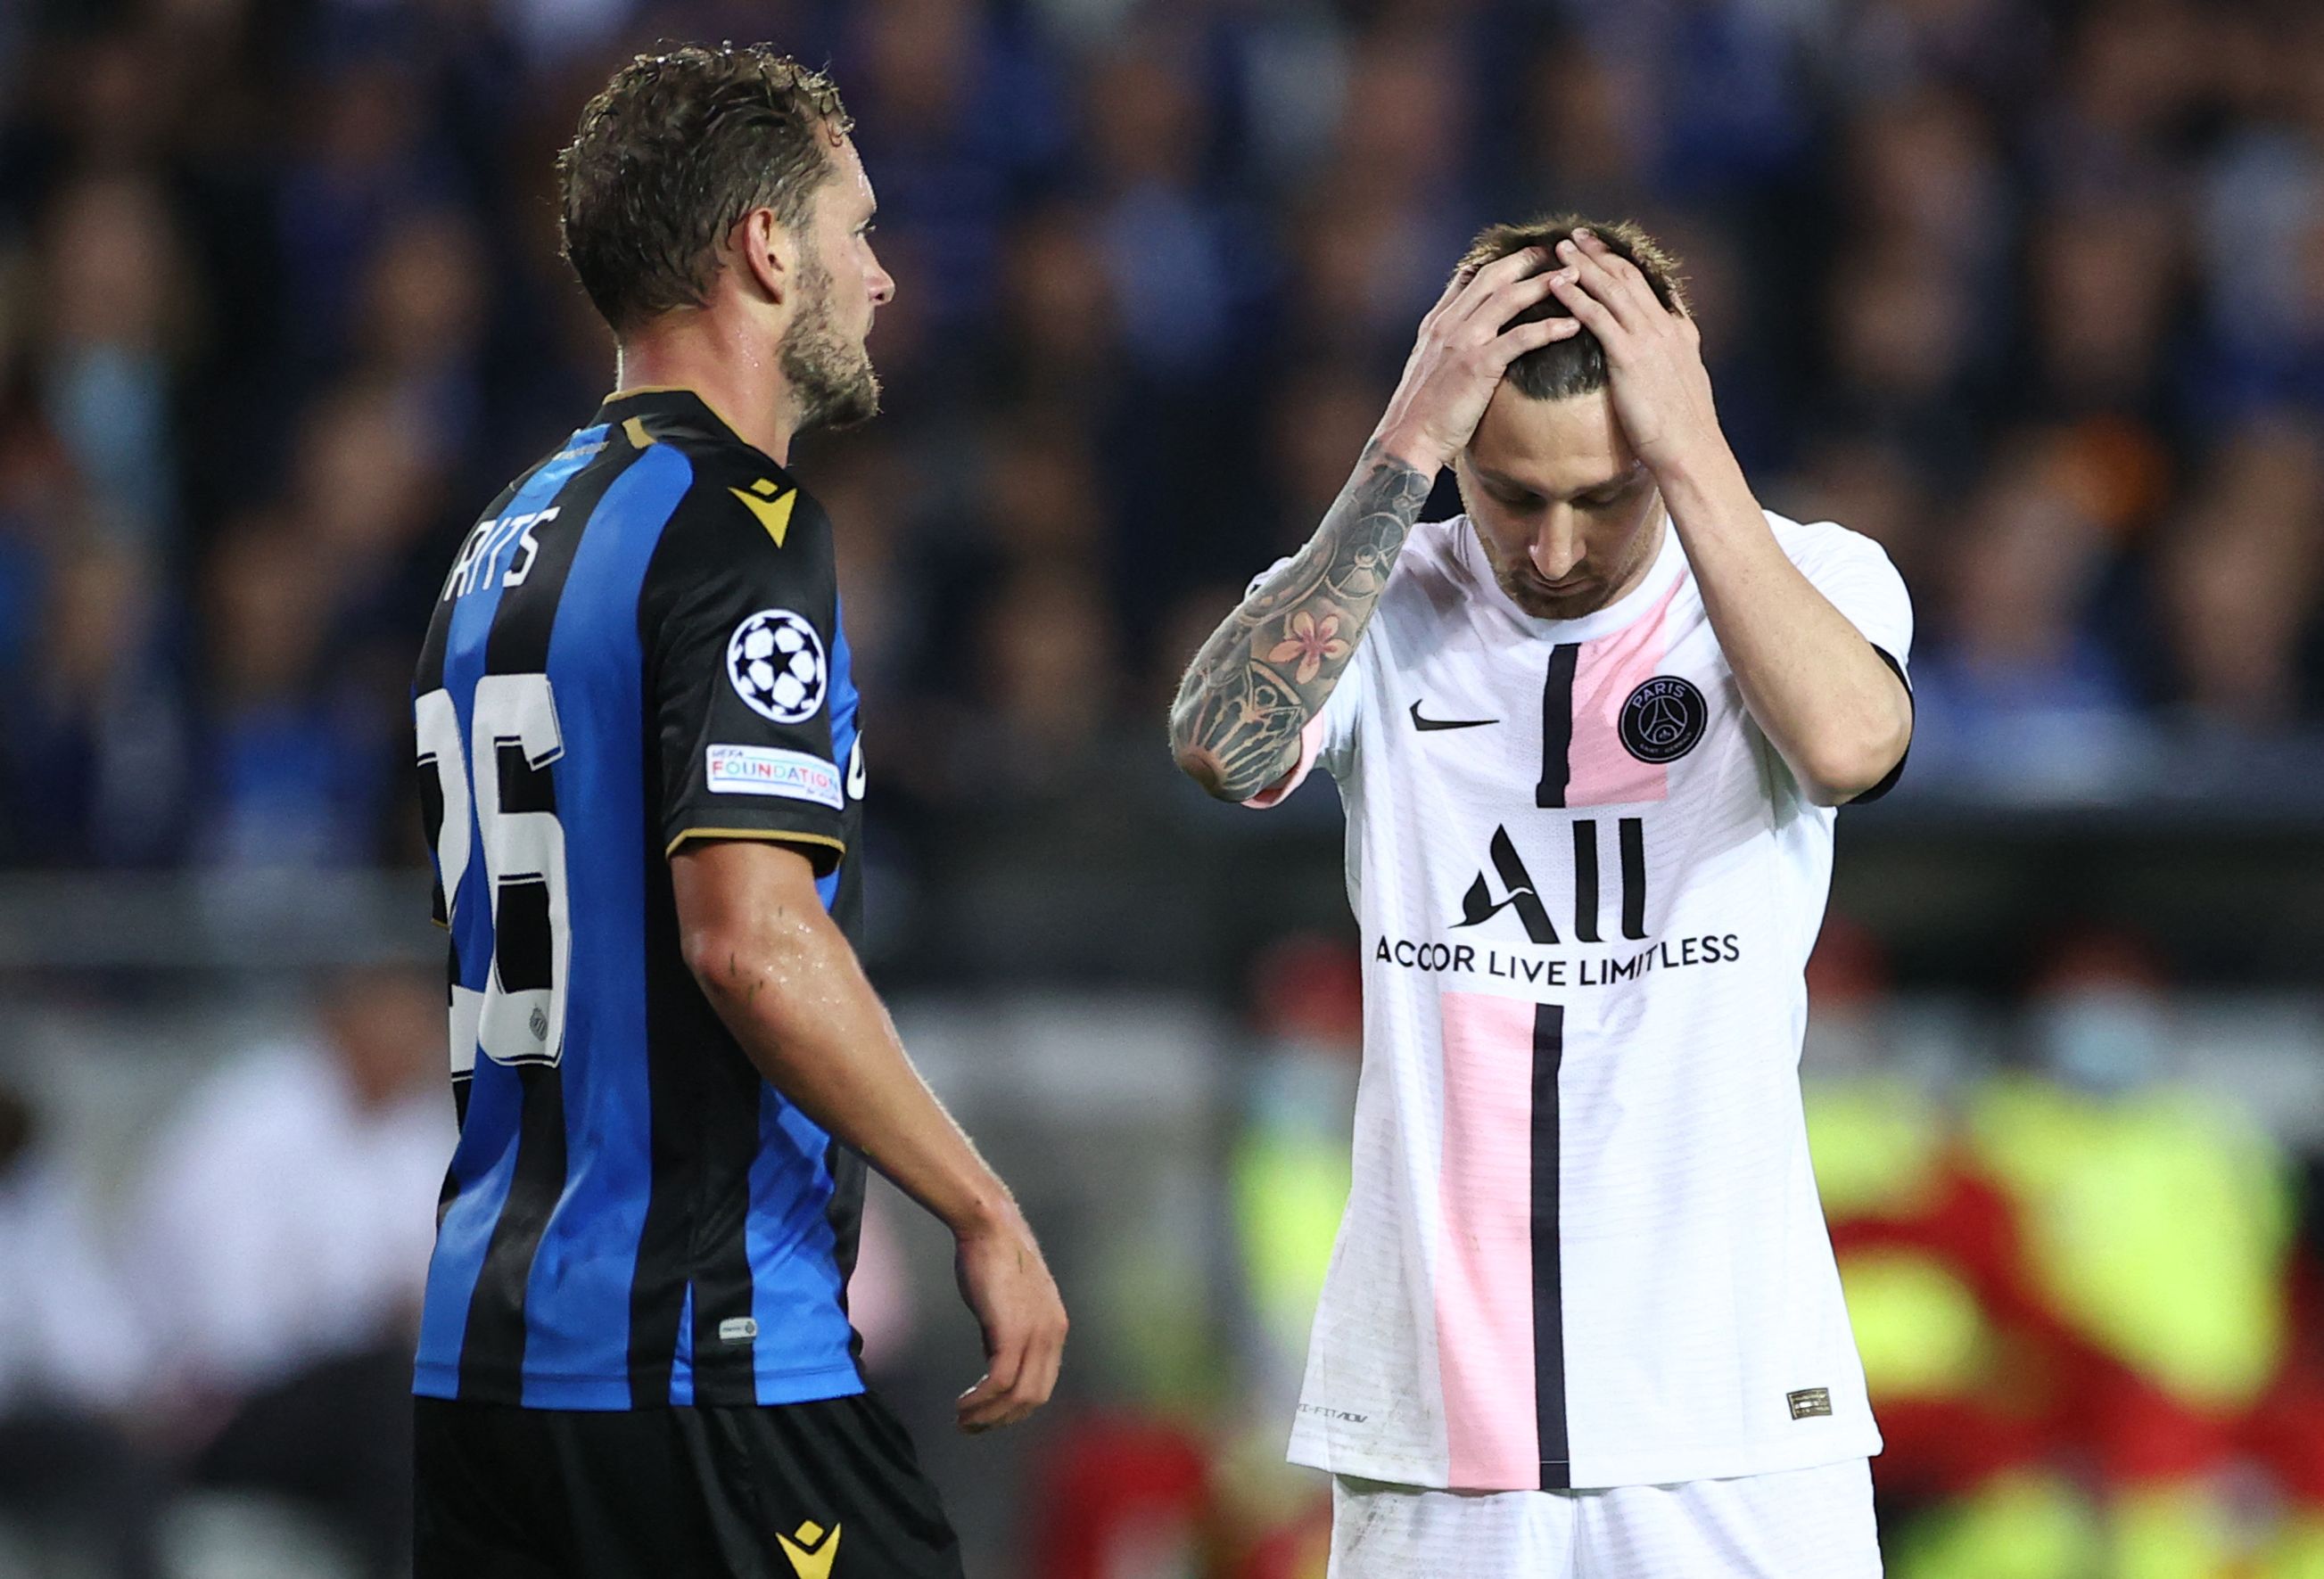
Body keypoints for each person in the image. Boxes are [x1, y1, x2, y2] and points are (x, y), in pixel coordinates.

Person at [1169, 218, 1915, 1575]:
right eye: (1513, 496)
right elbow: (1226, 745)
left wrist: (1690, 453)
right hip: (1438, 1424)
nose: (1559, 547)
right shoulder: (1374, 599)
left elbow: (1851, 746)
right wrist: (1396, 446)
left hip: (1735, 1409)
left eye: (1606, 493)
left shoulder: (1810, 577)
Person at [409, 45, 1066, 1578]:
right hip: (698, 1350)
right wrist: (979, 1206)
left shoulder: (502, 537)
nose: (883, 277)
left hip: (482, 1356)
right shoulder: (741, 528)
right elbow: (751, 947)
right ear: (765, 248)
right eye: (858, 229)